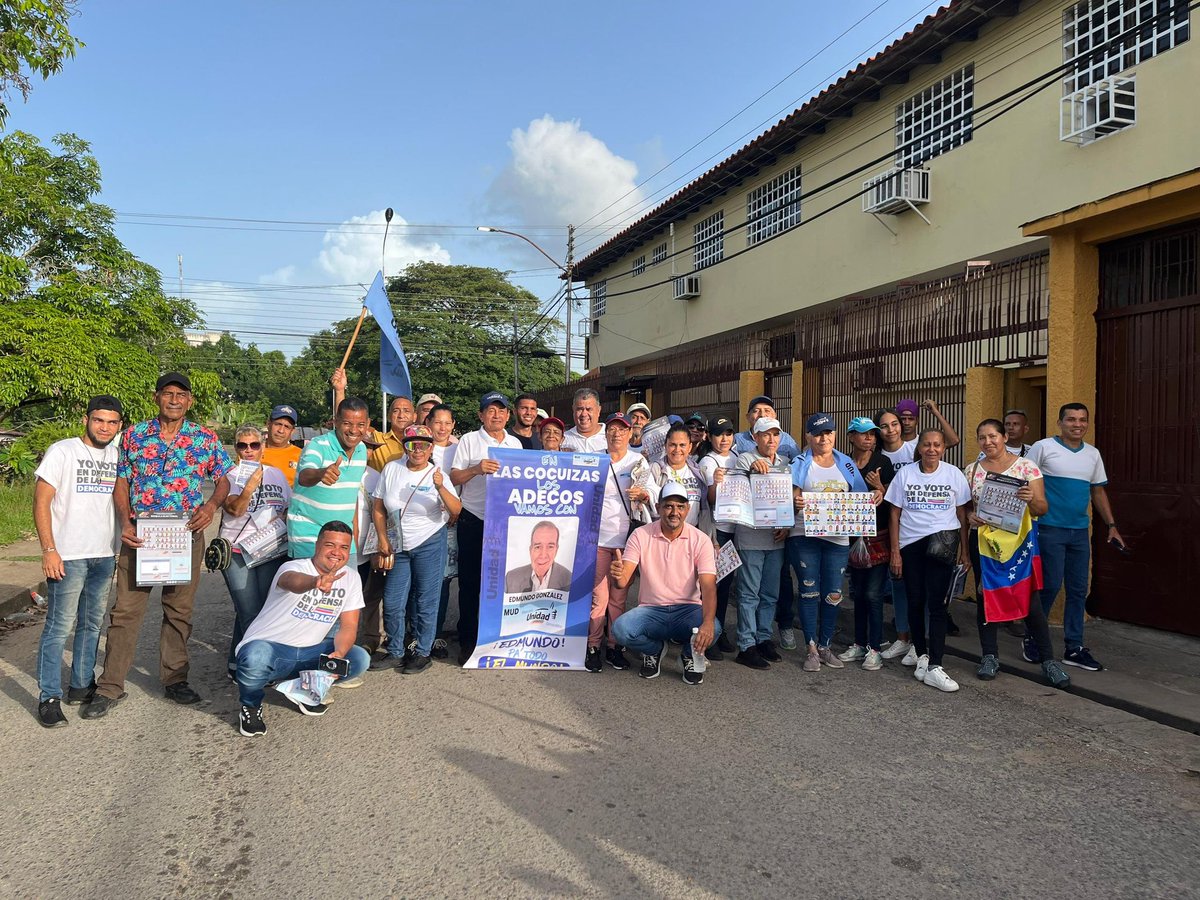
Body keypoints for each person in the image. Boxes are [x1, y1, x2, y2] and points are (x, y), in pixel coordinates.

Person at [83, 373, 233, 719]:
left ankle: (175, 679)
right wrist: (125, 521)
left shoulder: (204, 438)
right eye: (168, 393)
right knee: (125, 611)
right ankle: (110, 686)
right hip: (141, 536)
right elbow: (122, 480)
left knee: (179, 610)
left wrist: (211, 506)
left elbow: (223, 479)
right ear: (157, 397)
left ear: (190, 401)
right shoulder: (134, 436)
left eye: (181, 394)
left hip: (185, 535)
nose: (174, 400)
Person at [32, 396, 123, 727]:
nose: (105, 427)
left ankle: (81, 686)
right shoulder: (63, 451)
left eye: (112, 422)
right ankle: (49, 697)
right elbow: (41, 502)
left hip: (104, 554)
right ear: (87, 420)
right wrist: (49, 549)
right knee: (59, 627)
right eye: (99, 420)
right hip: (68, 555)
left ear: (119, 426)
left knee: (91, 624)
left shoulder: (117, 456)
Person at [233, 522, 370, 737]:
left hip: (310, 651)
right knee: (255, 656)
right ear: (317, 545)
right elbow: (292, 582)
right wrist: (315, 581)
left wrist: (340, 652)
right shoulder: (293, 568)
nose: (337, 552)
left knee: (358, 658)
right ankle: (250, 706)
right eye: (330, 545)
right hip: (271, 648)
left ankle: (304, 690)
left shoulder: (351, 578)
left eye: (344, 547)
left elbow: (349, 625)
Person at [965, 419, 1069, 688]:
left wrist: (1030, 499)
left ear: (1003, 437)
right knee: (986, 598)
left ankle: (1048, 660)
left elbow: (1042, 508)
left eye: (993, 436)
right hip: (984, 544)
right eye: (982, 438)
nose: (988, 442)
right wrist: (971, 517)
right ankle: (989, 656)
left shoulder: (1026, 467)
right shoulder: (972, 470)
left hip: (1019, 544)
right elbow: (966, 509)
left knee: (1030, 600)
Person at [1027, 403, 1124, 671]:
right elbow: (1024, 481)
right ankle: (1033, 638)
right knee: (1049, 586)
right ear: (1060, 423)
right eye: (1071, 419)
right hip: (1048, 529)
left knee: (1079, 589)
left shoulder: (1092, 454)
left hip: (1080, 532)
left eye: (1082, 420)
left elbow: (1098, 491)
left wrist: (1112, 525)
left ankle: (1074, 647)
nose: (1077, 424)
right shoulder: (1043, 447)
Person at [788, 413, 882, 672]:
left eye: (828, 432)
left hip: (838, 538)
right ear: (808, 436)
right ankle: (810, 648)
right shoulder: (800, 463)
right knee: (809, 591)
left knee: (834, 593)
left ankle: (825, 646)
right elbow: (790, 500)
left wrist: (876, 494)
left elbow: (861, 496)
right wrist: (795, 503)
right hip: (804, 536)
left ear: (835, 434)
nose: (824, 438)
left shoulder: (846, 463)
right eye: (818, 434)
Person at [885, 429, 971, 693]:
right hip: (911, 545)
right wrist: (895, 552)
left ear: (943, 448)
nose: (932, 449)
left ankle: (935, 664)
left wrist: (965, 552)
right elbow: (894, 514)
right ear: (919, 448)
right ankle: (921, 655)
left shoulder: (953, 474)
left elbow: (962, 514)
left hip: (942, 544)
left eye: (937, 445)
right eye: (926, 445)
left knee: (938, 605)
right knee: (915, 600)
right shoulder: (905, 474)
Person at [371, 425, 461, 674]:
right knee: (393, 601)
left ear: (431, 448)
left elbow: (456, 510)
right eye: (412, 444)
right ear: (405, 447)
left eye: (423, 445)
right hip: (397, 544)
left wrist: (440, 487)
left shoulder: (437, 473)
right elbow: (378, 507)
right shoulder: (392, 469)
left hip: (429, 542)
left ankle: (422, 652)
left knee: (425, 600)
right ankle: (396, 651)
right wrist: (382, 539)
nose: (418, 449)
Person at [610, 483, 720, 685]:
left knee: (714, 627)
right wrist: (617, 575)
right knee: (621, 630)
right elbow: (622, 581)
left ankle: (688, 655)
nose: (674, 512)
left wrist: (707, 623)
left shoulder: (701, 540)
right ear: (658, 507)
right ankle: (654, 650)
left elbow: (708, 586)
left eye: (680, 507)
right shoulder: (640, 534)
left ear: (687, 509)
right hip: (651, 610)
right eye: (668, 506)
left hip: (687, 610)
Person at [450, 391, 523, 664]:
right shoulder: (469, 440)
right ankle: (468, 640)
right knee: (470, 584)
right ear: (481, 415)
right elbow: (454, 476)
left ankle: (496, 636)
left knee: (503, 583)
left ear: (508, 415)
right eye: (491, 410)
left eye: (501, 410)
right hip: (474, 518)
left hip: (505, 523)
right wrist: (476, 469)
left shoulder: (515, 444)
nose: (496, 415)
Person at [218, 425, 291, 679]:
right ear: (236, 449)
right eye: (242, 445)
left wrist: (282, 517)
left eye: (254, 445)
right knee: (249, 610)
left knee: (262, 609)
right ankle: (255, 669)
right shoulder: (229, 476)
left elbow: (288, 504)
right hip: (237, 551)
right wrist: (249, 486)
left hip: (270, 548)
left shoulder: (276, 474)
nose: (248, 450)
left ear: (262, 447)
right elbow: (235, 510)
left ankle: (236, 662)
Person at [586, 411, 646, 673]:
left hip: (626, 541)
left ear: (630, 432)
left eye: (622, 429)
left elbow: (650, 492)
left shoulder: (638, 461)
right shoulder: (593, 459)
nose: (617, 433)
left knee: (619, 598)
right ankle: (593, 646)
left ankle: (615, 645)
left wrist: (643, 494)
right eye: (612, 428)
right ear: (605, 432)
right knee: (599, 598)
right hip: (598, 539)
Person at [731, 416, 791, 670]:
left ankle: (763, 637)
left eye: (775, 434)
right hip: (751, 538)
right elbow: (734, 491)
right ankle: (746, 644)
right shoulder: (745, 459)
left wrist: (786, 525)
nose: (771, 439)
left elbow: (788, 499)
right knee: (749, 593)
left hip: (776, 539)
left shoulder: (785, 463)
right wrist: (750, 471)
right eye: (765, 434)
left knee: (770, 593)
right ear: (755, 437)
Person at [836, 417, 894, 671]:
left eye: (872, 433)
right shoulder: (842, 463)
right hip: (850, 536)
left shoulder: (883, 462)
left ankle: (875, 648)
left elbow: (893, 501)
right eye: (863, 433)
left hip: (877, 536)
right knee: (858, 593)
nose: (869, 437)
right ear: (851, 437)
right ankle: (859, 643)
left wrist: (881, 487)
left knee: (873, 594)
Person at [287, 396, 370, 560]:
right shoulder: (317, 445)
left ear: (368, 424)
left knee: (349, 578)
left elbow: (350, 496)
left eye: (360, 425)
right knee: (310, 578)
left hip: (344, 538)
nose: (354, 430)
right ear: (336, 422)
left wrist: (354, 535)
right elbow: (304, 476)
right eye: (347, 423)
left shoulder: (361, 450)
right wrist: (321, 473)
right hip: (309, 538)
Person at [875, 409, 915, 660]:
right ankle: (902, 637)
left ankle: (920, 642)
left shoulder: (915, 449)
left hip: (918, 524)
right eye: (884, 426)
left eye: (895, 424)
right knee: (897, 583)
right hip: (890, 524)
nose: (891, 430)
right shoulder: (877, 457)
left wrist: (883, 487)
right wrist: (882, 488)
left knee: (918, 586)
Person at [696, 415, 738, 659]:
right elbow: (710, 500)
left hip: (736, 528)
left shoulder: (738, 456)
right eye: (719, 434)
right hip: (716, 531)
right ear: (709, 437)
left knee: (725, 586)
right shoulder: (707, 462)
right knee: (712, 585)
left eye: (729, 433)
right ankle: (707, 636)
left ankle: (719, 632)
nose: (724, 439)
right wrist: (716, 484)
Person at [427, 402, 459, 658]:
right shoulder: (420, 447)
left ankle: (435, 635)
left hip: (452, 522)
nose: (442, 427)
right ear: (428, 423)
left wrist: (454, 512)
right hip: (425, 524)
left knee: (443, 582)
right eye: (438, 422)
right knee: (422, 581)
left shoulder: (459, 449)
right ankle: (417, 635)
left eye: (447, 423)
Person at [648, 423, 706, 527]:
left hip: (692, 533)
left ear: (689, 447)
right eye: (672, 445)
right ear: (665, 446)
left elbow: (705, 507)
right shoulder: (654, 470)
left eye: (682, 445)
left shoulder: (698, 472)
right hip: (661, 532)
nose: (677, 450)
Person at [505, 520, 571, 593]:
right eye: (538, 547)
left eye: (550, 547)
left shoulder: (569, 580)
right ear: (530, 550)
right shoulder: (511, 578)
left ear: (556, 550)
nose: (543, 555)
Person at [732, 395, 800, 461]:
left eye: (767, 410)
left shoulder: (786, 438)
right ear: (748, 416)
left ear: (775, 415)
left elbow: (798, 463)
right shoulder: (738, 439)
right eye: (756, 411)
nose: (762, 415)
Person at [260, 404, 302, 487]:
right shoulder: (251, 450)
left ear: (292, 431)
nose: (281, 430)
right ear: (268, 424)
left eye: (287, 427)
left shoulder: (301, 456)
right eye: (278, 424)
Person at [895, 398, 960, 448]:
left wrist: (936, 412)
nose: (907, 423)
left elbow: (954, 441)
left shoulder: (924, 442)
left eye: (911, 419)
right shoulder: (891, 442)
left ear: (917, 421)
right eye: (903, 419)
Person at [562, 387, 607, 452]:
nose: (584, 414)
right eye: (579, 409)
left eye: (589, 409)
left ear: (598, 410)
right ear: (573, 409)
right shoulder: (564, 439)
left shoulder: (613, 438)